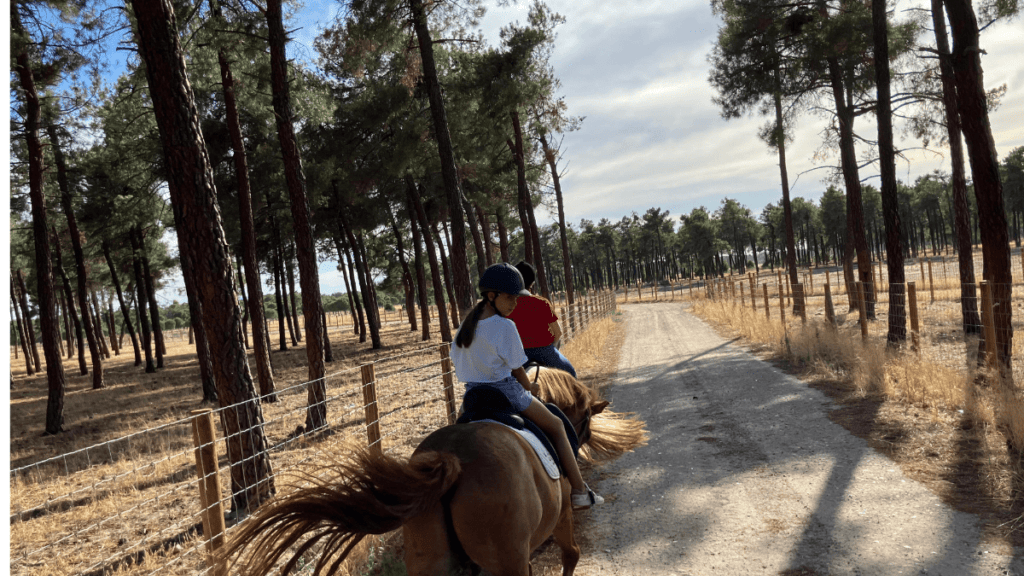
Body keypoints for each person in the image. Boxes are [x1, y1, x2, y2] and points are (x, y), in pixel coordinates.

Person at [451, 263, 603, 509]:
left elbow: (459, 363)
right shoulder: (505, 326)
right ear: (491, 296)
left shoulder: (464, 327)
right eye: (509, 297)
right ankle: (579, 492)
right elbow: (516, 368)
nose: (514, 303)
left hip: (472, 395)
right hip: (506, 391)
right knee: (556, 425)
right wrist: (529, 388)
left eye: (516, 298)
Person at [507, 261, 578, 378]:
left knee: (507, 384)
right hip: (546, 351)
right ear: (533, 282)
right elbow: (558, 332)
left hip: (520, 355)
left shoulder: (508, 306)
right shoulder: (542, 302)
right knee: (570, 374)